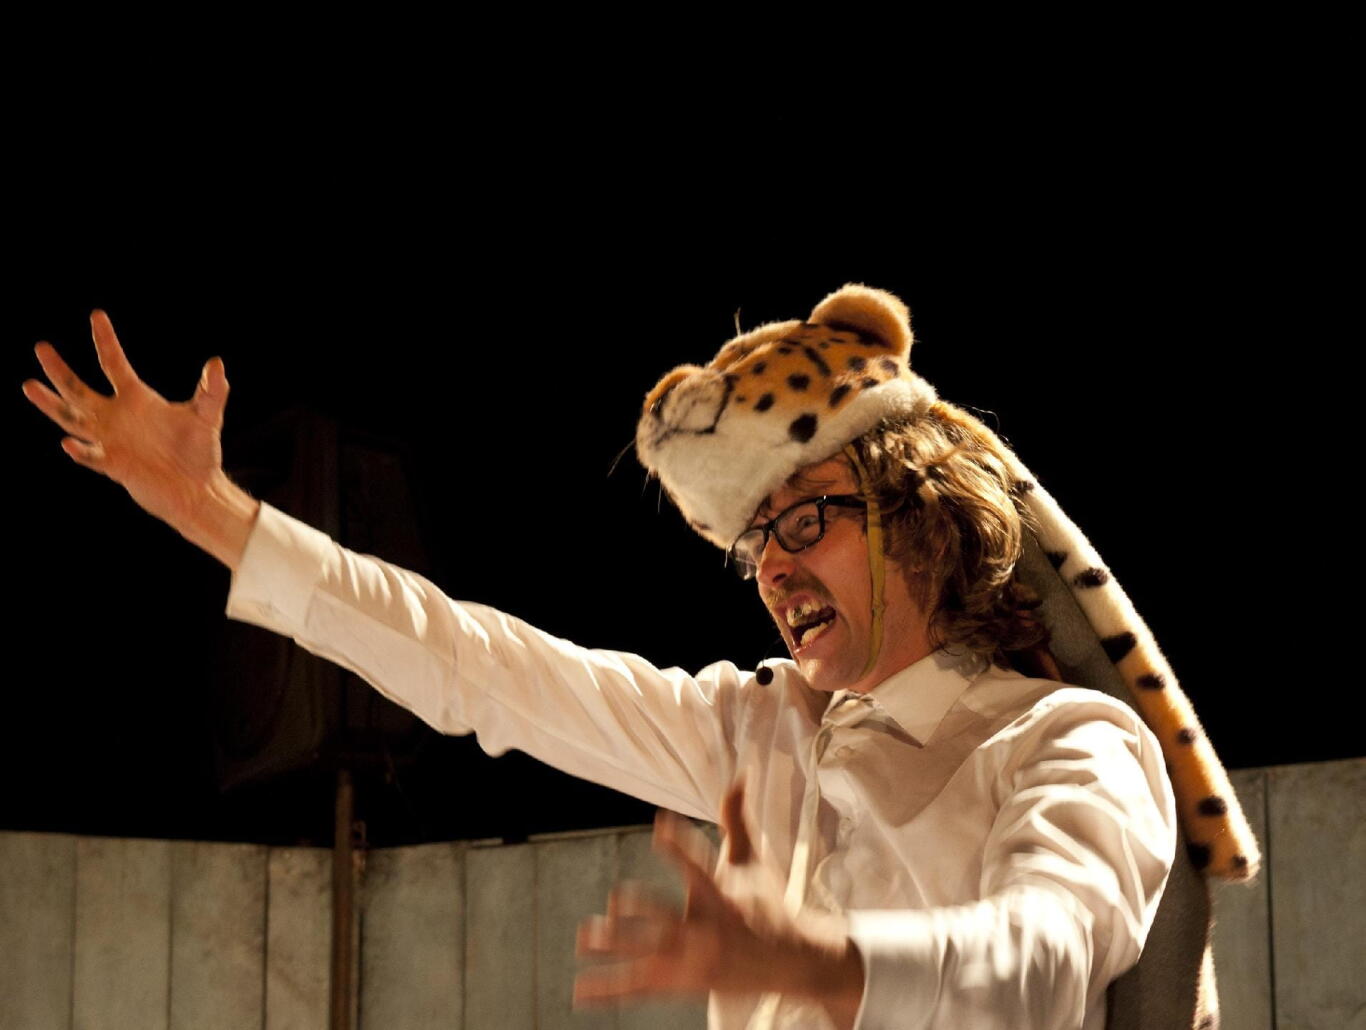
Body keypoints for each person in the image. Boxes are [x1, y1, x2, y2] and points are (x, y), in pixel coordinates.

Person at [21, 285, 1257, 1029]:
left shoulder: (1073, 740)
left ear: (923, 519)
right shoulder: (755, 727)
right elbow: (482, 666)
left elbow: (1045, 952)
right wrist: (213, 512)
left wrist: (823, 963)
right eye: (757, 540)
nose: (774, 568)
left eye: (807, 520)